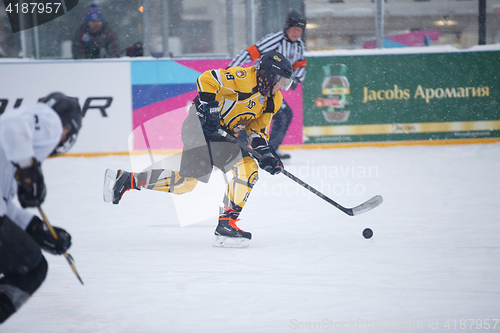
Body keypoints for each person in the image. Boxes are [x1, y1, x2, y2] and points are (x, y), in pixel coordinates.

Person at [105, 51, 293, 248]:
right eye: (282, 81)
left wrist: (267, 155)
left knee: (185, 183)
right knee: (236, 171)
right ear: (270, 75)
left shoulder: (273, 99)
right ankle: (226, 223)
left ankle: (128, 180)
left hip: (222, 136)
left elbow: (257, 132)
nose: (283, 87)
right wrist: (210, 109)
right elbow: (207, 79)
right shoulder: (243, 77)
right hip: (198, 128)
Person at [0, 92, 82, 323]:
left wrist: (36, 228)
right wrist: (28, 170)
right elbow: (13, 124)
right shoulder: (50, 121)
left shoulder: (12, 154)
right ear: (67, 129)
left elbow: (5, 206)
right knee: (32, 267)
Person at [228, 10, 307, 159]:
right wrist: (230, 70)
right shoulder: (275, 39)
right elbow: (249, 53)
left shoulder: (299, 46)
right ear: (287, 28)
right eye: (294, 29)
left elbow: (301, 65)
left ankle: (270, 148)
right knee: (260, 114)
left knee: (284, 115)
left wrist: (297, 78)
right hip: (260, 84)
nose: (297, 33)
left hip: (274, 89)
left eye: (300, 30)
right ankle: (241, 148)